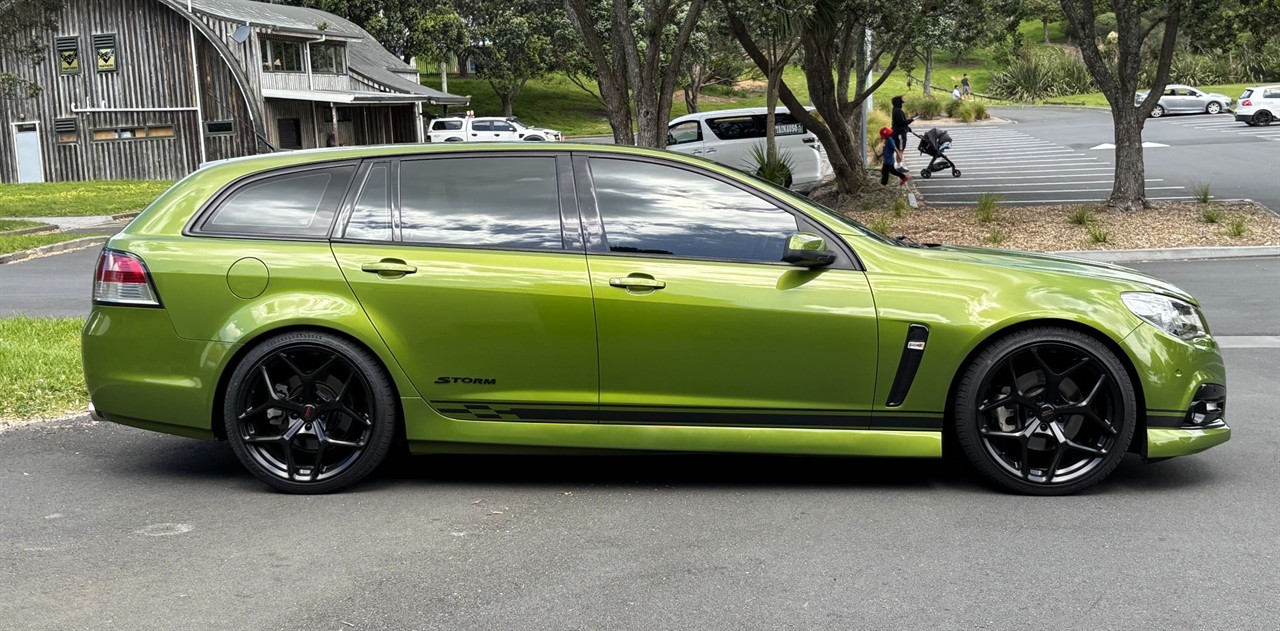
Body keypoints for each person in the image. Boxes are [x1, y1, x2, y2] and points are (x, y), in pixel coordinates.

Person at [890, 95, 914, 167]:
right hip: (900, 134)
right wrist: (910, 120)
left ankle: (898, 164)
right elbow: (901, 122)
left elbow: (898, 123)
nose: (902, 104)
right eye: (901, 103)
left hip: (897, 132)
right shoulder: (898, 111)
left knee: (899, 149)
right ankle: (899, 165)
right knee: (900, 149)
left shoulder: (895, 110)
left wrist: (907, 128)